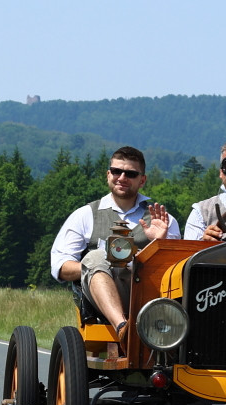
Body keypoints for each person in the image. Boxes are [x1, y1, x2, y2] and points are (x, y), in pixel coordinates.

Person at [51, 146, 181, 346]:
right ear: (108, 175)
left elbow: (175, 273)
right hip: (99, 299)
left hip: (149, 298)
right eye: (116, 171)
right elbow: (60, 267)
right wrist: (97, 266)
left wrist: (159, 243)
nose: (122, 177)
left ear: (142, 180)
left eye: (130, 173)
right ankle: (123, 328)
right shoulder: (85, 215)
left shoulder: (161, 219)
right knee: (95, 257)